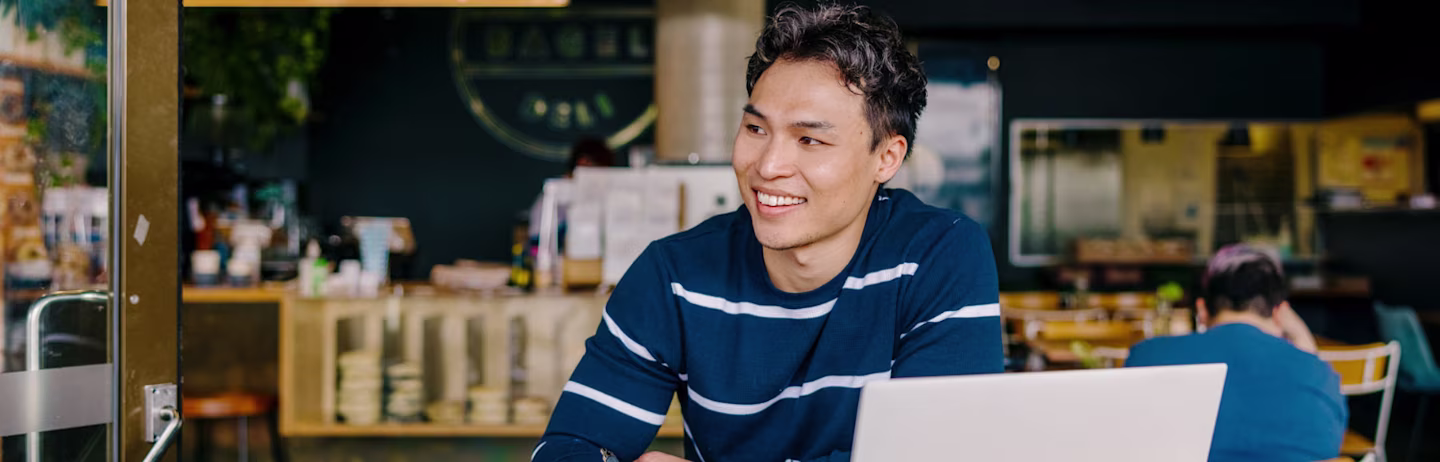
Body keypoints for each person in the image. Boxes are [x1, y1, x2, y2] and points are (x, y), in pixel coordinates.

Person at [532, 4, 1002, 462]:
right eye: (756, 128)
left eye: (810, 140)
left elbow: (940, 450)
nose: (767, 166)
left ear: (887, 157)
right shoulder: (674, 275)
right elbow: (565, 447)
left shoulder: (939, 254)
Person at [1126, 244, 1347, 461]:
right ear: (1280, 313)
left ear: (1202, 311)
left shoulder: (1145, 358)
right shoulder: (1320, 376)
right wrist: (1305, 345)